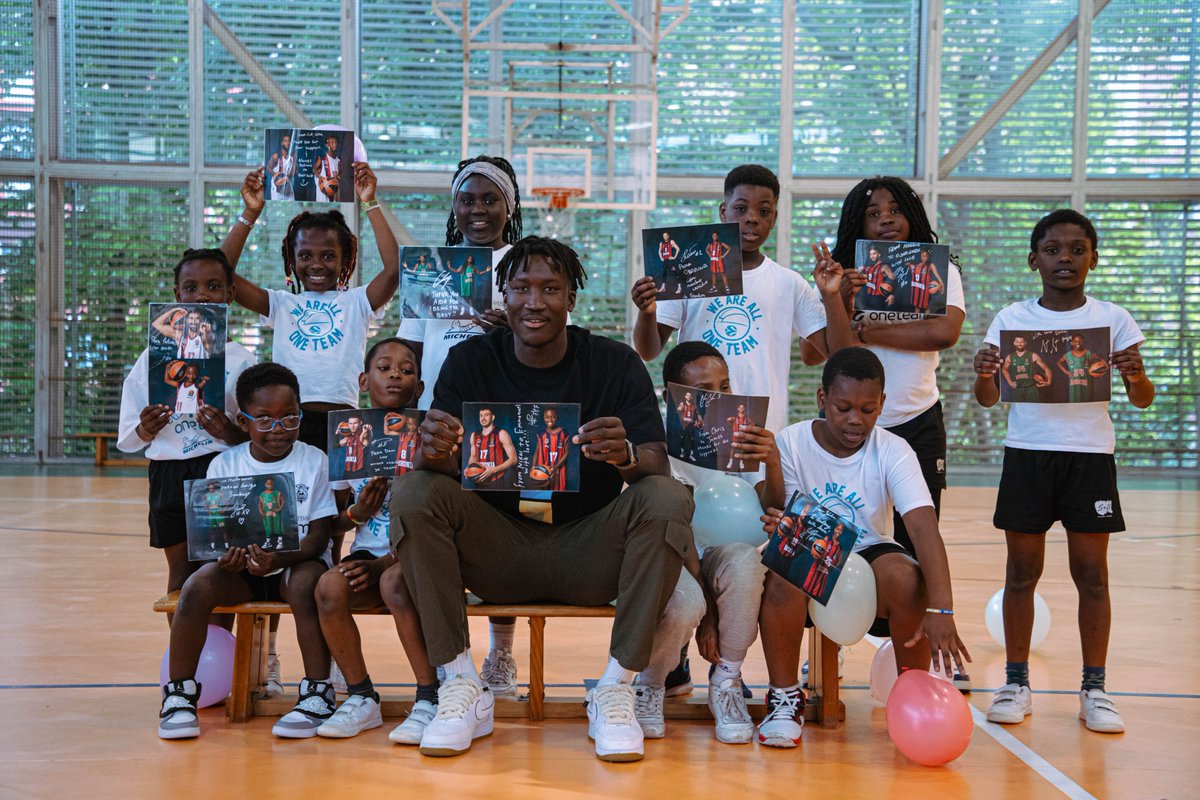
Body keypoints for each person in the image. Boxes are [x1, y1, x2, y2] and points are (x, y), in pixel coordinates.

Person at [389, 236, 696, 762]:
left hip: (588, 551)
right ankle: (462, 686)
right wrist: (431, 449)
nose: (535, 301)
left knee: (666, 497)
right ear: (502, 296)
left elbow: (656, 463)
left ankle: (617, 687)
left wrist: (623, 453)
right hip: (496, 549)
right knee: (414, 488)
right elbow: (433, 468)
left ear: (572, 297)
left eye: (551, 288)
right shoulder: (469, 361)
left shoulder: (614, 363)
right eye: (522, 287)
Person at [973, 209, 1154, 734]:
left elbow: (1142, 400)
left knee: (1092, 576)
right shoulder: (1012, 318)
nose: (1065, 258)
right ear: (1034, 260)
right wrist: (985, 373)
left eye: (1077, 249)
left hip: (1089, 457)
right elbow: (988, 399)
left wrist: (1137, 375)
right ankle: (1015, 682)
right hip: (1027, 454)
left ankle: (1094, 689)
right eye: (1053, 249)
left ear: (1093, 258)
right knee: (1020, 575)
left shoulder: (1113, 319)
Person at [757, 347, 970, 748]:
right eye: (843, 408)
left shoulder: (893, 449)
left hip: (869, 550)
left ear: (883, 405)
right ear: (823, 400)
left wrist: (941, 608)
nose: (856, 420)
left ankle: (912, 696)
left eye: (868, 410)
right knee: (783, 574)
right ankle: (785, 697)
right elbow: (772, 509)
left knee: (909, 579)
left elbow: (923, 527)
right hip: (811, 546)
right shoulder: (792, 441)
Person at [829, 176, 968, 687]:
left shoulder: (939, 268)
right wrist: (842, 301)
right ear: (857, 225)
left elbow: (943, 331)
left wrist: (869, 328)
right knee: (838, 530)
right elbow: (823, 353)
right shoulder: (844, 278)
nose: (885, 218)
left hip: (916, 419)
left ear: (912, 214)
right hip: (851, 424)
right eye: (873, 213)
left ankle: (926, 652)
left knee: (916, 536)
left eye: (895, 209)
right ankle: (828, 647)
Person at [398, 155, 526, 698]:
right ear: (454, 205)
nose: (478, 209)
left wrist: (511, 326)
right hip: (440, 416)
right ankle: (456, 664)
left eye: (489, 199)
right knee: (439, 530)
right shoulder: (431, 269)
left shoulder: (522, 264)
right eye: (467, 199)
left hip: (500, 416)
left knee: (506, 528)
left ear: (508, 207)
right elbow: (409, 347)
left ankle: (501, 653)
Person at [157, 363, 338, 740]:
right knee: (197, 586)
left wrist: (281, 559)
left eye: (290, 418)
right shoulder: (225, 464)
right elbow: (213, 534)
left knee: (308, 584)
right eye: (265, 419)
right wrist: (223, 559)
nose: (279, 429)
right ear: (243, 420)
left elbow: (320, 536)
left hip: (294, 565)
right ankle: (179, 695)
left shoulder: (314, 461)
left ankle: (318, 692)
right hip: (241, 573)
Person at [633, 164, 856, 436]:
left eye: (763, 211)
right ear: (723, 212)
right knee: (694, 480)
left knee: (759, 480)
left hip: (761, 428)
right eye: (740, 209)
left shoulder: (789, 282)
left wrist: (831, 295)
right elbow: (648, 350)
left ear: (773, 219)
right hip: (697, 425)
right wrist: (647, 311)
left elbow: (841, 355)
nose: (752, 218)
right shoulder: (688, 273)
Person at [638, 340, 781, 745]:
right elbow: (675, 535)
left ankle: (726, 681)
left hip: (720, 552)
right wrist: (710, 619)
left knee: (746, 564)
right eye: (704, 392)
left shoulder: (742, 434)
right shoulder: (657, 444)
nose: (718, 398)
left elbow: (767, 511)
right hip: (673, 554)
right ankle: (651, 684)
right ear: (673, 396)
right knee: (686, 602)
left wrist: (772, 462)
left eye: (724, 386)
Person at [313, 337, 446, 743]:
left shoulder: (431, 436)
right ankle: (360, 696)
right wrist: (357, 514)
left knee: (395, 582)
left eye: (407, 370)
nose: (395, 374)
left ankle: (429, 697)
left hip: (419, 555)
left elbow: (442, 518)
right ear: (363, 379)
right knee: (329, 587)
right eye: (384, 367)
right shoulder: (347, 438)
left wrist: (384, 563)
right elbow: (333, 525)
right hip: (369, 552)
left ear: (419, 387)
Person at [221, 160, 399, 451]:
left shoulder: (356, 302)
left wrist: (370, 202)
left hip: (343, 423)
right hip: (290, 423)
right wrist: (250, 212)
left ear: (346, 260)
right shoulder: (280, 303)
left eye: (328, 256)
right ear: (292, 260)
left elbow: (393, 270)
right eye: (305, 255)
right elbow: (221, 272)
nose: (316, 264)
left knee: (340, 497)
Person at [117, 248, 256, 616]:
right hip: (167, 471)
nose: (201, 296)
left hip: (219, 470)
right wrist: (145, 429)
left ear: (229, 295)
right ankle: (184, 669)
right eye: (191, 288)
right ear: (177, 297)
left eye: (213, 286)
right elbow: (128, 434)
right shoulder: (152, 357)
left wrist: (228, 431)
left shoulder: (241, 359)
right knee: (180, 573)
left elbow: (252, 434)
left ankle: (222, 669)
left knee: (219, 572)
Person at [466, 407, 517, 489]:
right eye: (481, 415)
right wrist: (469, 469)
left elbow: (513, 459)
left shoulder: (501, 433)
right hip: (479, 480)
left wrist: (493, 470)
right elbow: (473, 456)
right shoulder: (474, 435)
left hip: (496, 480)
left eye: (486, 415)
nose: (483, 418)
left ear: (492, 417)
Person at [1058, 333, 1107, 403]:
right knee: (1074, 403)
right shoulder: (1068, 355)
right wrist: (1066, 372)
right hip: (1074, 384)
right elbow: (1059, 363)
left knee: (1087, 402)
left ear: (1082, 341)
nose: (1078, 343)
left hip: (1086, 383)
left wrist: (1105, 367)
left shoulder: (1087, 353)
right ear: (1071, 343)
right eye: (1075, 341)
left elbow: (1099, 358)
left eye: (1080, 341)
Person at [1003, 335, 1051, 402]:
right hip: (1017, 389)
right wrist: (1009, 381)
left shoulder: (1033, 355)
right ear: (1014, 343)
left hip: (1031, 389)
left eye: (1021, 342)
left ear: (1025, 343)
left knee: (1033, 410)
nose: (1019, 344)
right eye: (1017, 342)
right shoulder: (1010, 357)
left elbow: (1046, 368)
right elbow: (1004, 369)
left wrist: (1048, 382)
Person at [532, 406, 570, 491]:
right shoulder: (541, 434)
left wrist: (556, 467)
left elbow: (567, 452)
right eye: (547, 417)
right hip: (543, 469)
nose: (550, 420)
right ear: (544, 418)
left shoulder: (563, 432)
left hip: (558, 469)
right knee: (543, 494)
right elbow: (537, 451)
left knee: (558, 493)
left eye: (553, 417)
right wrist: (533, 467)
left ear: (557, 417)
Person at [859, 244, 895, 310]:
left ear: (879, 254)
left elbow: (894, 280)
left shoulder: (884, 267)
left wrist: (892, 294)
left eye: (874, 253)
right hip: (868, 297)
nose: (872, 256)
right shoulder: (869, 267)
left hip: (878, 299)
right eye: (871, 254)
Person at [267, 132, 296, 201]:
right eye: (285, 141)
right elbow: (268, 168)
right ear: (282, 143)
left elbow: (294, 172)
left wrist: (289, 174)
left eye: (289, 141)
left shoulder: (293, 156)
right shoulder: (276, 156)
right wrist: (277, 175)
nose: (288, 143)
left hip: (287, 186)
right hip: (276, 188)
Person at [315, 133, 342, 202]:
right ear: (327, 145)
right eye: (332, 143)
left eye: (336, 142)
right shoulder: (322, 158)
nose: (335, 144)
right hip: (323, 188)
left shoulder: (338, 159)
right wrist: (319, 176)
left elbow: (340, 173)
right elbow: (314, 169)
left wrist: (338, 177)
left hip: (333, 188)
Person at [657, 230, 682, 295]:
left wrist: (674, 257)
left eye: (666, 236)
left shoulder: (671, 241)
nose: (665, 237)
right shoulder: (661, 243)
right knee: (664, 274)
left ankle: (679, 287)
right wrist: (661, 257)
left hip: (670, 261)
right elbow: (659, 251)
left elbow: (678, 248)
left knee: (675, 273)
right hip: (665, 261)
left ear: (668, 236)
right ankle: (663, 287)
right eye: (663, 236)